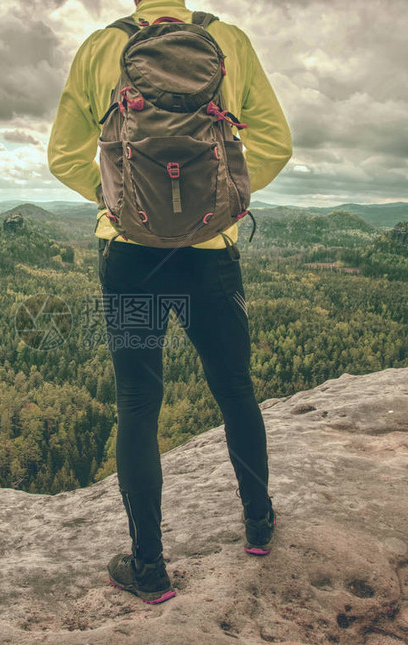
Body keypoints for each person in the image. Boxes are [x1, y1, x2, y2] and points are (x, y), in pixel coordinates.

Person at [47, 0, 292, 604]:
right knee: (235, 388)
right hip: (212, 252)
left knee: (137, 404)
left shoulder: (101, 48)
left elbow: (63, 154)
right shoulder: (227, 40)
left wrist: (119, 199)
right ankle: (258, 526)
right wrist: (224, 198)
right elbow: (275, 143)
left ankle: (149, 568)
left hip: (129, 255)